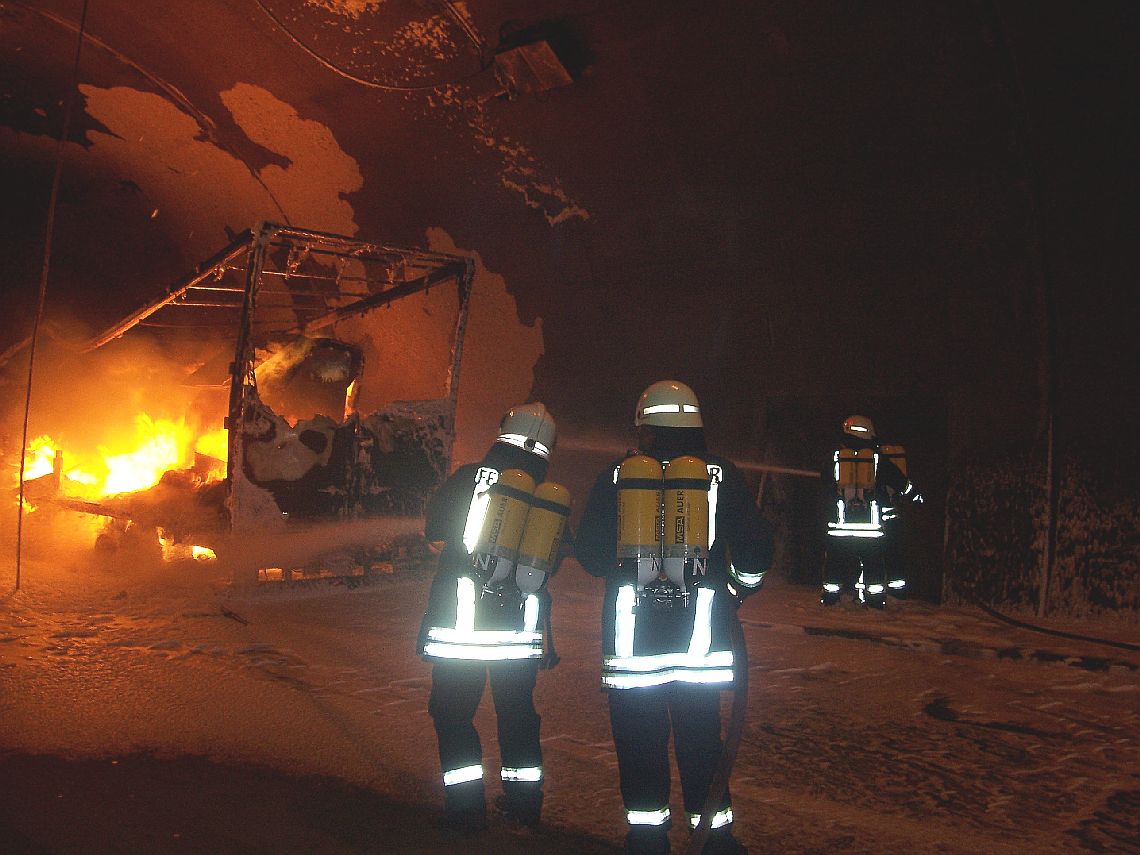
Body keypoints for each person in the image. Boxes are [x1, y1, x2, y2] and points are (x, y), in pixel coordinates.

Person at [575, 380, 774, 855]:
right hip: (699, 648)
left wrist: (631, 568)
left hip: (632, 648)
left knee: (639, 742)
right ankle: (715, 840)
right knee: (703, 740)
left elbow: (589, 553)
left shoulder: (619, 476)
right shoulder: (721, 474)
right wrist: (734, 592)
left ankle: (647, 841)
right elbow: (756, 550)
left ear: (645, 426)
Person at [417, 402, 570, 833]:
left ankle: (466, 811)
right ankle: (524, 805)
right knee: (518, 714)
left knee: (452, 713)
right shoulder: (548, 496)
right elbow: (557, 558)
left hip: (460, 629)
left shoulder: (470, 478)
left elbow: (434, 531)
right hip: (519, 635)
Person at [820, 415, 923, 609]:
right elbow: (899, 481)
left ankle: (830, 599)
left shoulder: (835, 459)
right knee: (873, 564)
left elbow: (824, 485)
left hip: (839, 528)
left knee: (835, 562)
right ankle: (875, 601)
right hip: (870, 528)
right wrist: (916, 495)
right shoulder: (877, 460)